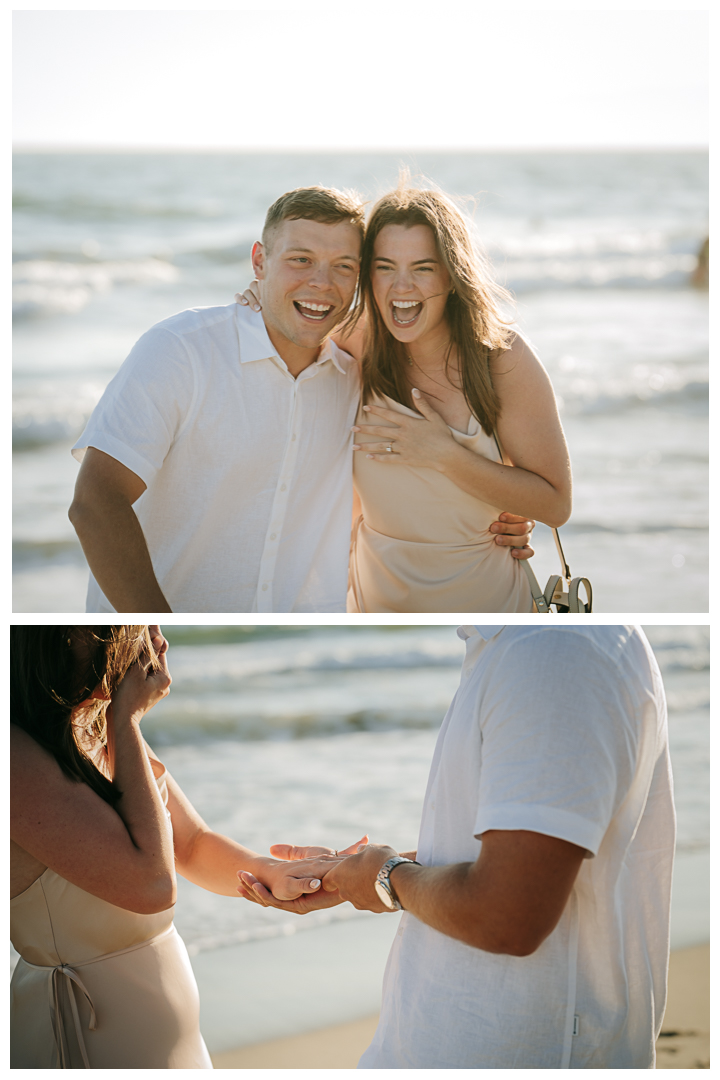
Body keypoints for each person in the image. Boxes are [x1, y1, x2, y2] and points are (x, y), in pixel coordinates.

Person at [68, 185, 531, 613]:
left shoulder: (357, 377)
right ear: (259, 261)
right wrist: (156, 627)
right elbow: (94, 502)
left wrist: (497, 511)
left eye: (344, 267)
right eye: (301, 260)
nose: (321, 283)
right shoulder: (182, 351)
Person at [238, 625, 676, 1069]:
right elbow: (512, 858)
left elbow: (509, 913)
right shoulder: (516, 647)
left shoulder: (552, 653)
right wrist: (357, 872)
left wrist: (387, 877)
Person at [10, 625, 352, 1068]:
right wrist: (126, 722)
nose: (159, 642)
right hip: (85, 1043)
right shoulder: (16, 755)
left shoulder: (94, 721)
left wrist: (275, 874)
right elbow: (153, 884)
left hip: (169, 1038)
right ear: (73, 636)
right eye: (139, 628)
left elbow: (189, 844)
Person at [238, 182, 568, 612]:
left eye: (424, 268)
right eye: (385, 266)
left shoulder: (500, 359)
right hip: (374, 609)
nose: (402, 286)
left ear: (452, 275)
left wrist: (444, 454)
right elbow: (288, 323)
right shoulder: (353, 343)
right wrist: (259, 300)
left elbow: (555, 504)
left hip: (491, 607)